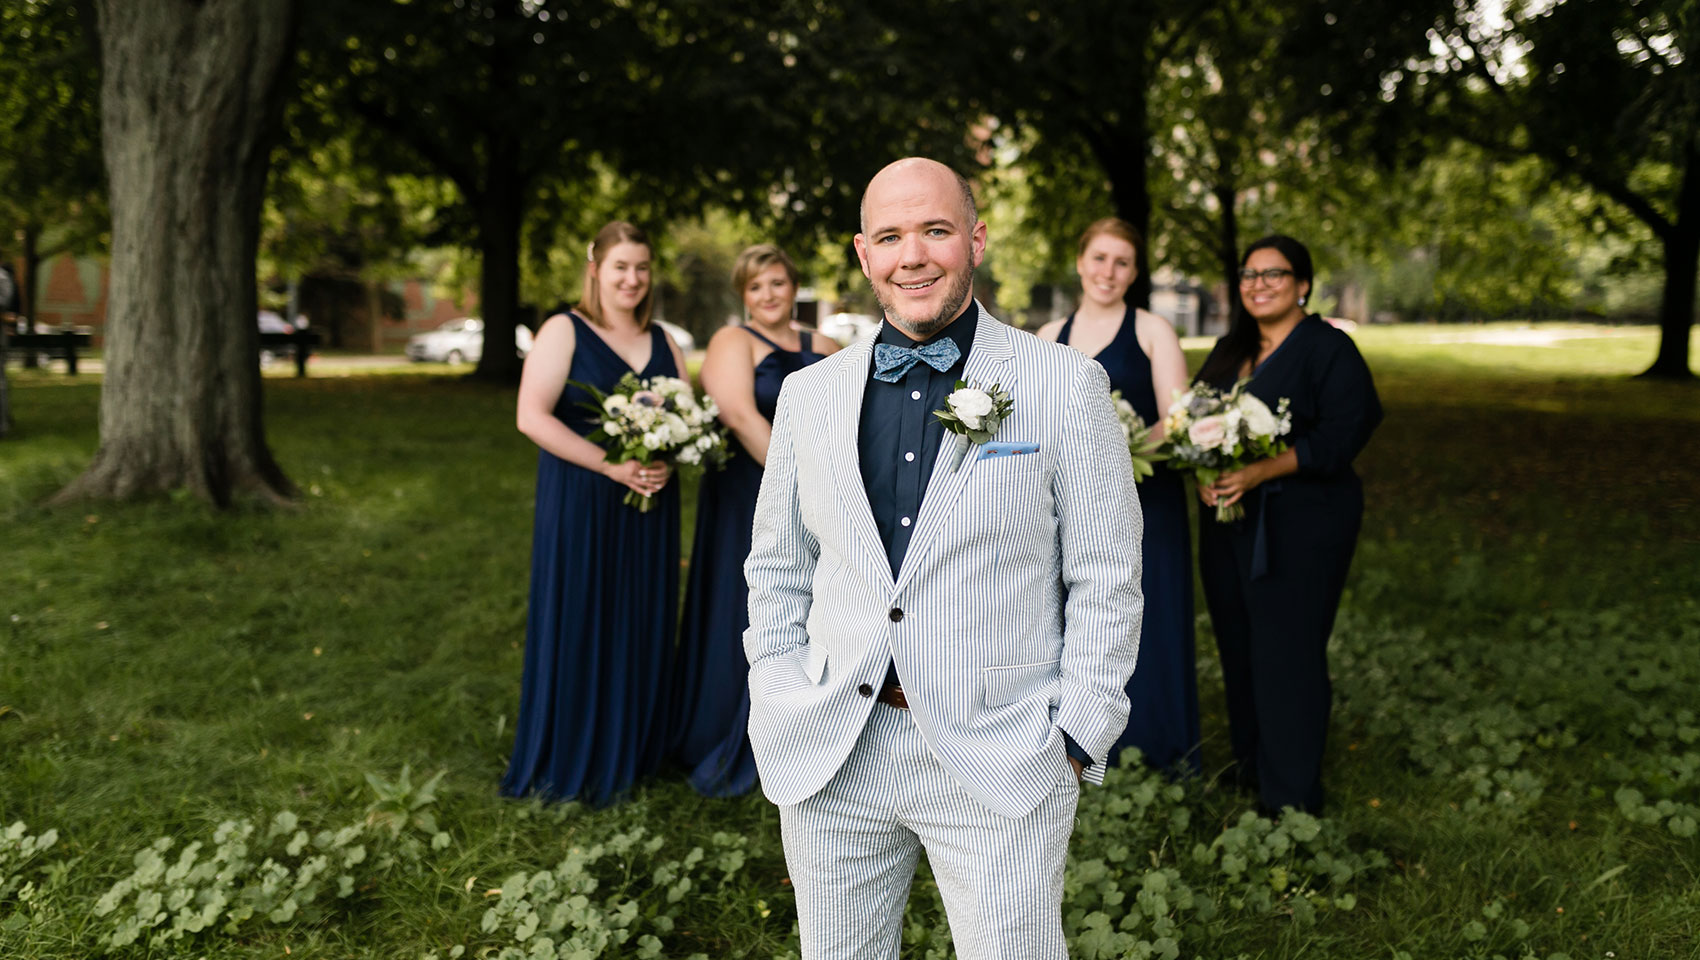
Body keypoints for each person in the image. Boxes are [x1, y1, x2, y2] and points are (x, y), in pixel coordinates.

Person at [744, 157, 1143, 958]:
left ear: (976, 239)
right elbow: (776, 568)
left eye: (934, 230)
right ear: (863, 255)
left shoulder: (1064, 386)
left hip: (1002, 754)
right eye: (889, 237)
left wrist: (1075, 735)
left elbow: (1107, 574)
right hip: (834, 747)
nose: (912, 256)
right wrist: (778, 689)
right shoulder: (809, 396)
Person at [1193, 234, 1382, 816]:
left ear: (1302, 284)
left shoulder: (1327, 348)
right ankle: (1253, 765)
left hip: (1303, 524)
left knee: (1288, 652)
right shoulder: (1231, 348)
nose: (1259, 284)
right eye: (1249, 275)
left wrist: (1259, 471)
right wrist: (1206, 469)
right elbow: (1196, 415)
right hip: (1227, 523)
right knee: (1239, 646)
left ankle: (1291, 798)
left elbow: (1346, 431)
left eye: (1273, 274)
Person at [502, 220, 688, 806]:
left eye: (640, 268)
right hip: (583, 497)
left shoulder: (666, 340)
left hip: (649, 500)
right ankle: (573, 756)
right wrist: (610, 465)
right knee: (583, 613)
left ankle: (633, 750)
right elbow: (531, 416)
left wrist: (667, 460)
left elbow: (685, 419)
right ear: (596, 270)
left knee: (641, 615)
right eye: (620, 267)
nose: (631, 279)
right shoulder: (564, 329)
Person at [668, 244, 837, 797]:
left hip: (823, 501)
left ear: (794, 287)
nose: (768, 295)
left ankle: (807, 735)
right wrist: (810, 486)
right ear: (744, 294)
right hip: (750, 494)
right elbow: (740, 415)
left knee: (817, 609)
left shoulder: (828, 347)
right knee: (750, 607)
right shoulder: (731, 342)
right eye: (755, 286)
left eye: (778, 283)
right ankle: (729, 732)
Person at [1037, 218, 1198, 775]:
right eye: (1099, 258)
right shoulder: (1048, 335)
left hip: (1148, 495)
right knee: (1082, 614)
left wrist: (1122, 451)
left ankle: (1159, 749)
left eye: (1122, 262)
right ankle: (1079, 740)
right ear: (1081, 262)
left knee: (1147, 609)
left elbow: (1176, 420)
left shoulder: (1152, 329)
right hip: (1070, 507)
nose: (1108, 272)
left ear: (1134, 272)